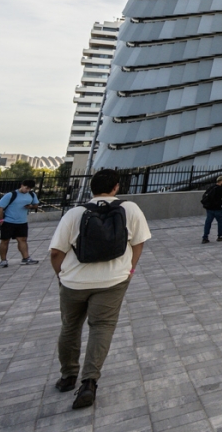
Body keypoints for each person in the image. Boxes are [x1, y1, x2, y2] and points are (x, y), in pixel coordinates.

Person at [49, 168, 151, 410]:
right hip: (113, 280)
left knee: (70, 327)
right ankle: (89, 382)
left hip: (73, 282)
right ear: (117, 187)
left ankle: (67, 377)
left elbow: (55, 252)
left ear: (91, 188)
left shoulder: (74, 213)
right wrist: (130, 270)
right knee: (102, 327)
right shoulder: (131, 209)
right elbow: (138, 243)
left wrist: (61, 276)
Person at [0, 178, 40, 267]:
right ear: (22, 185)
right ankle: (3, 260)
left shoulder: (31, 195)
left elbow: (36, 205)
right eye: (26, 188)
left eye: (29, 189)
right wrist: (1, 220)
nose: (27, 190)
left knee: (22, 240)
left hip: (22, 222)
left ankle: (26, 258)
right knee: (5, 241)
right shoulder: (11, 195)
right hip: (9, 221)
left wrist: (31, 206)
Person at [200, 176, 222, 244]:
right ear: (221, 181)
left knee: (208, 223)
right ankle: (220, 236)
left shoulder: (212, 187)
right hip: (218, 208)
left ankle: (205, 237)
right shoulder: (221, 188)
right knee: (220, 222)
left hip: (209, 208)